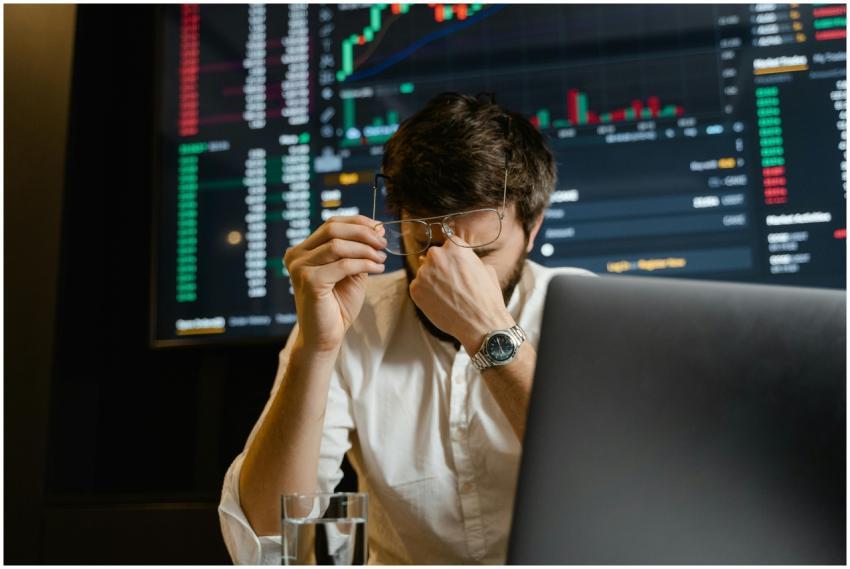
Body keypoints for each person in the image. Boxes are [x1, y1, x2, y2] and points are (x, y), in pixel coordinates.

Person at [218, 92, 592, 564]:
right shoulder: (350, 316)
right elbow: (266, 542)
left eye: (479, 256)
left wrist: (488, 331)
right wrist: (316, 348)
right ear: (400, 222)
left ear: (533, 228)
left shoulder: (584, 316)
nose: (449, 277)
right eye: (424, 243)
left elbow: (613, 492)